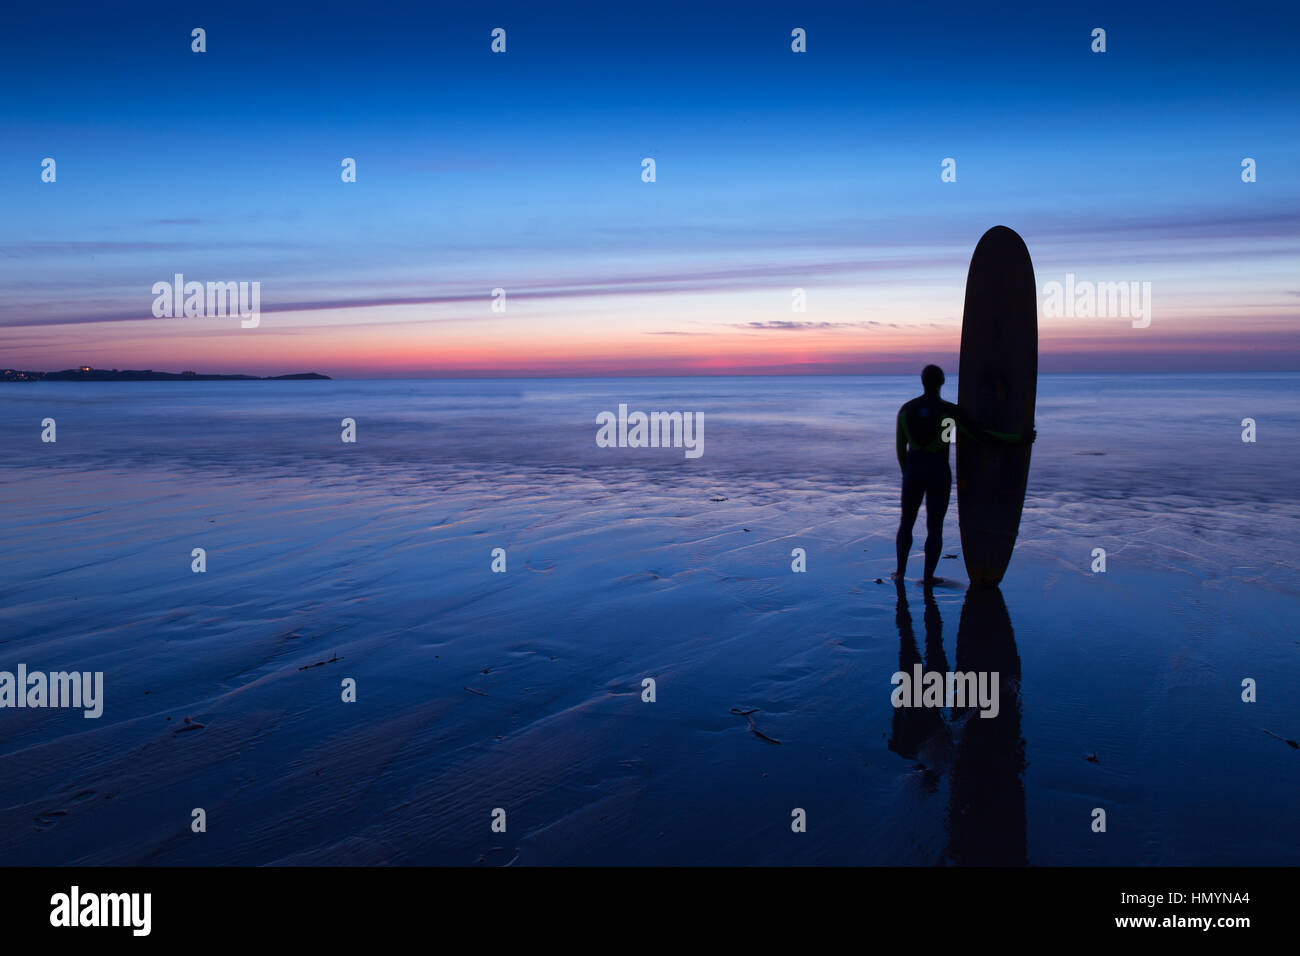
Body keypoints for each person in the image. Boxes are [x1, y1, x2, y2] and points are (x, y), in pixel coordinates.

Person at [893, 364, 1033, 584]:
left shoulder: (906, 410)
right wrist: (1018, 440)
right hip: (938, 473)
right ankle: (928, 577)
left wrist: (907, 473)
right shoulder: (949, 412)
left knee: (906, 523)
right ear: (942, 382)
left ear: (922, 381)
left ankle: (900, 573)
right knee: (935, 527)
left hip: (913, 473)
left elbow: (901, 448)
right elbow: (980, 436)